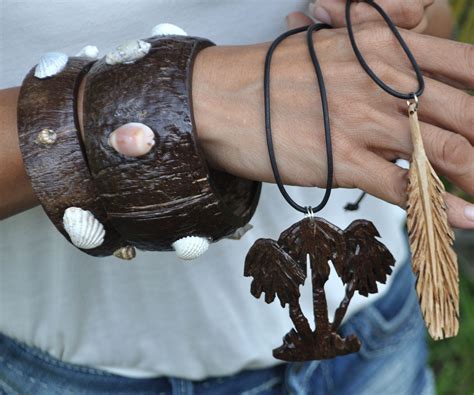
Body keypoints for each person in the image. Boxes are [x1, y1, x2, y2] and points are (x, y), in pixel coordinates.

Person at [0, 0, 472, 394]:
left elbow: (431, 31)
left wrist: (404, 21)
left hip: (377, 334)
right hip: (84, 371)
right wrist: (182, 100)